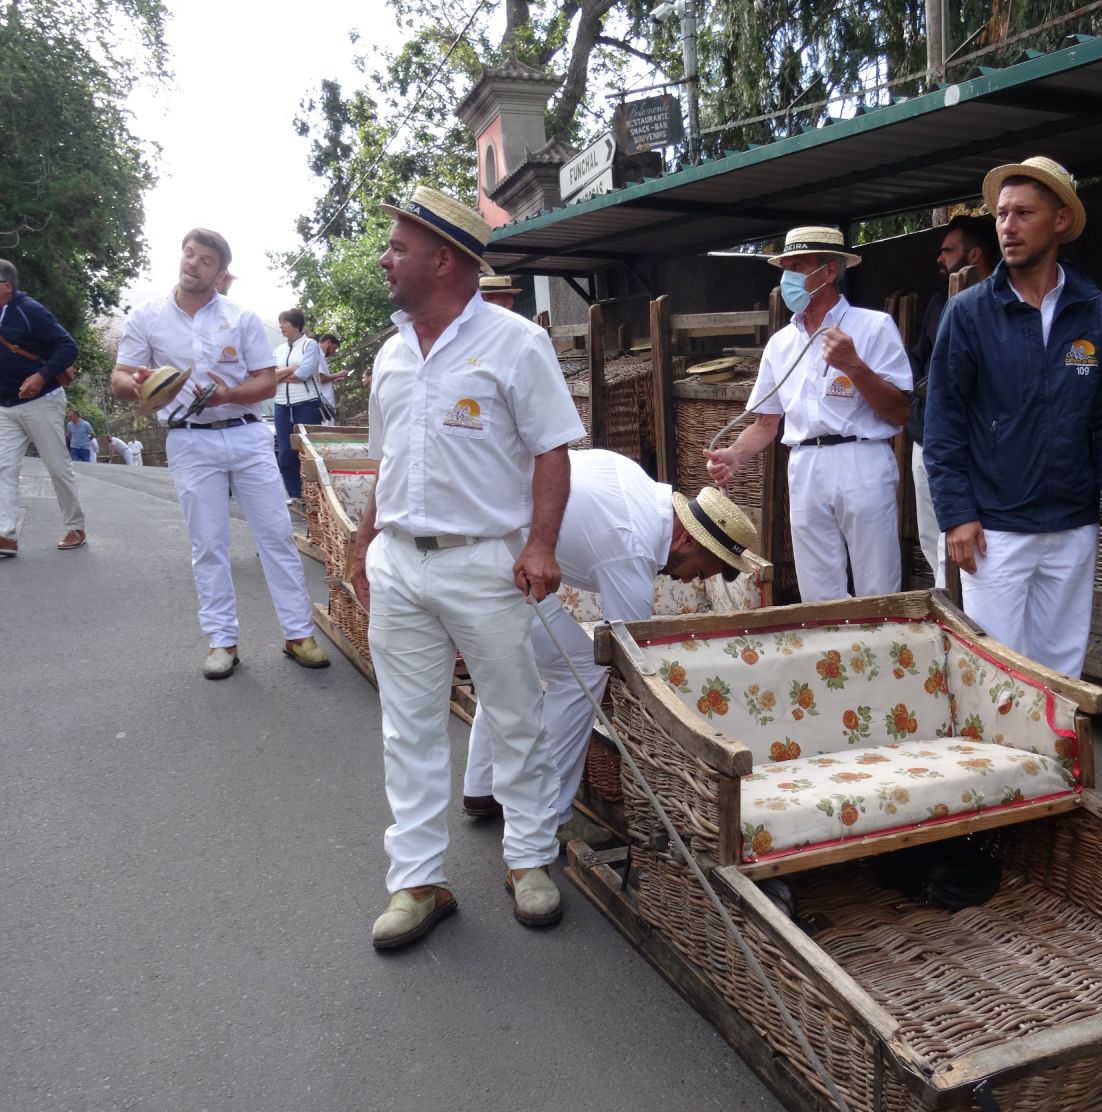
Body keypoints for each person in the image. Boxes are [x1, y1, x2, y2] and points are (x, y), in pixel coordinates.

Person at [344, 185, 584, 950]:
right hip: (400, 565)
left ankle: (529, 862)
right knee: (407, 728)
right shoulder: (389, 354)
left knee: (513, 715)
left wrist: (541, 545)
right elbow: (387, 462)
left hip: (484, 564)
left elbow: (552, 449)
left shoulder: (516, 343)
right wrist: (363, 540)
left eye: (398, 248)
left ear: (443, 260)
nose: (386, 260)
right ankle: (417, 882)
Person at [924, 157, 1102, 678]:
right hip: (995, 529)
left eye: (1023, 213)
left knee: (1061, 672)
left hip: (1072, 526)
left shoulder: (1095, 312)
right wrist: (956, 513)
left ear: (1060, 220)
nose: (1008, 227)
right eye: (1001, 215)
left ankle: (1055, 764)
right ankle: (1001, 763)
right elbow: (944, 421)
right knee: (997, 675)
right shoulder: (970, 313)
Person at [463, 453, 758, 829]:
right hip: (495, 563)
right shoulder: (634, 547)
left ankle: (483, 787)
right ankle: (543, 815)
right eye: (698, 570)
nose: (688, 582)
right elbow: (627, 660)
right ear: (686, 536)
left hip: (484, 540)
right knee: (585, 669)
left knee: (516, 666)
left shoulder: (635, 480)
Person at [111, 227, 331, 679]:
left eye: (205, 260)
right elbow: (120, 378)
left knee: (275, 535)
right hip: (189, 438)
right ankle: (222, 642)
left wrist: (228, 394)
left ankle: (298, 634)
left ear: (220, 273)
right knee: (208, 543)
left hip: (248, 434)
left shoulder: (241, 317)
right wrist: (135, 385)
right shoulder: (147, 318)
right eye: (189, 254)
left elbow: (267, 381)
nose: (193, 263)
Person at [705, 225, 912, 601]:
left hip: (861, 456)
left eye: (797, 266)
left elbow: (899, 412)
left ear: (829, 271)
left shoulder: (873, 326)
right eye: (785, 267)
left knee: (877, 582)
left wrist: (855, 367)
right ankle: (832, 658)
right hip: (804, 463)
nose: (787, 278)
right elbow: (766, 422)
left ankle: (882, 653)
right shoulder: (781, 343)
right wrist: (734, 455)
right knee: (817, 587)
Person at [0, 257, 86, 556]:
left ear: (7, 285)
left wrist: (41, 376)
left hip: (41, 401)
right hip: (3, 406)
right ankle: (4, 534)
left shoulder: (29, 310)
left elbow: (68, 347)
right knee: (2, 468)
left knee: (57, 466)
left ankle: (76, 526)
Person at [907, 216, 999, 583]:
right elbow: (916, 361)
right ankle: (947, 613)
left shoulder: (999, 303)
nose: (940, 258)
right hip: (928, 437)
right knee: (934, 539)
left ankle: (971, 627)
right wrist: (925, 393)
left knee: (977, 545)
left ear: (973, 254)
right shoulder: (937, 303)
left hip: (977, 443)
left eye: (948, 250)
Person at [272, 308, 322, 501]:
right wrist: (290, 369)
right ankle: (295, 495)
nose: (281, 326)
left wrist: (281, 374)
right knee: (285, 452)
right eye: (280, 322)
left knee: (308, 451)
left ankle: (313, 495)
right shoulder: (279, 350)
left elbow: (303, 374)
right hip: (282, 406)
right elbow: (268, 377)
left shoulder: (310, 345)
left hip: (306, 405)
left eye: (284, 322)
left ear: (296, 325)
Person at [315, 333, 345, 424]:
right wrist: (338, 374)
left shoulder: (322, 356)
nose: (334, 352)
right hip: (323, 405)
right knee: (325, 432)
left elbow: (322, 380)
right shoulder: (316, 353)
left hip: (325, 403)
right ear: (328, 342)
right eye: (334, 348)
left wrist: (335, 379)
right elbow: (321, 378)